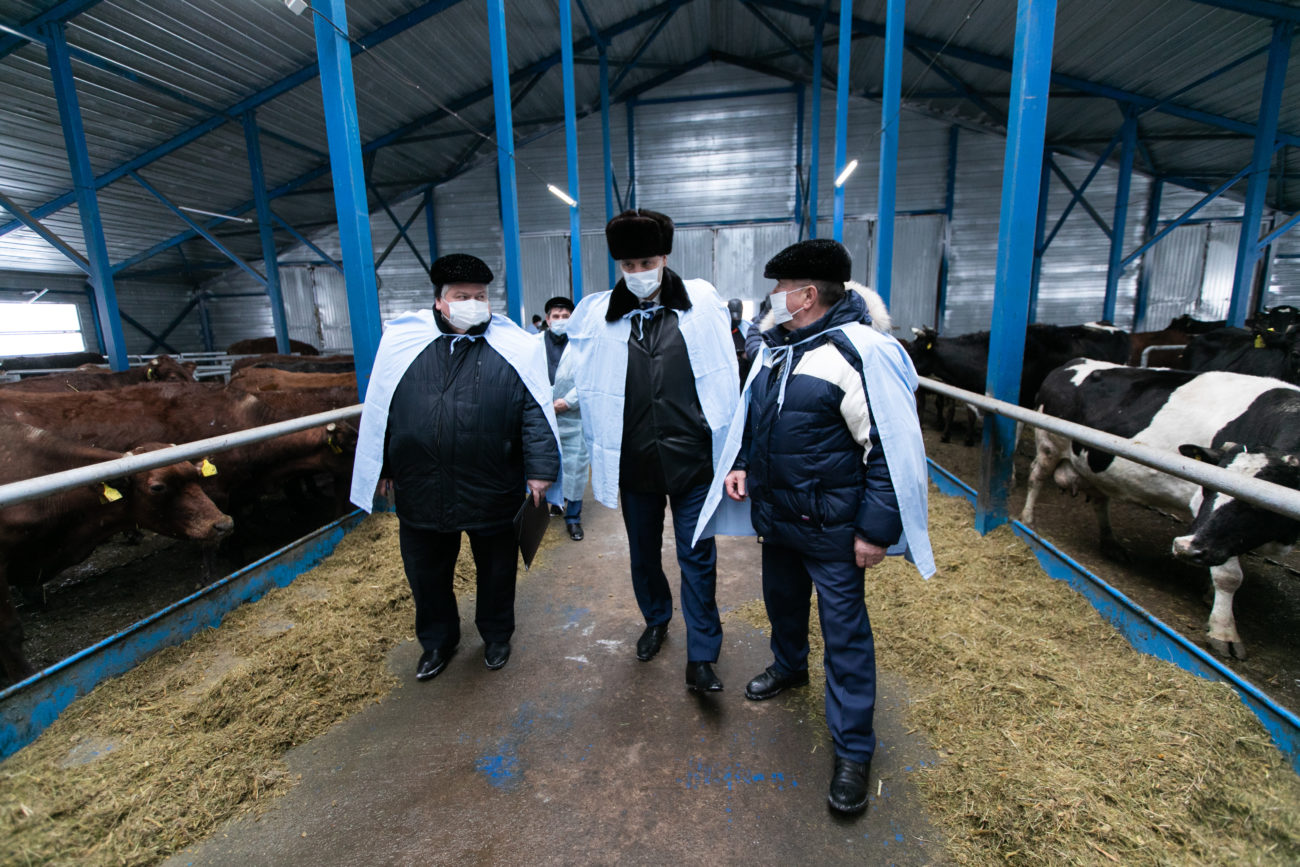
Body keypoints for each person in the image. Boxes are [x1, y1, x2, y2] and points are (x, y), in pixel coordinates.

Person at [718, 239, 934, 815]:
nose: (772, 299)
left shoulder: (856, 352)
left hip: (835, 529)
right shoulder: (778, 349)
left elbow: (887, 447)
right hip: (781, 522)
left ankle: (853, 749)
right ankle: (789, 667)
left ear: (806, 294)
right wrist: (741, 464)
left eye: (779, 289)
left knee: (844, 637)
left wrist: (874, 531)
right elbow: (757, 424)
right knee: (783, 605)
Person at [350, 254, 561, 681]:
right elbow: (383, 410)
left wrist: (540, 472)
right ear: (440, 302)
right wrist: (385, 465)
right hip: (421, 487)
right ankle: (438, 642)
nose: (473, 303)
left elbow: (535, 410)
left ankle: (497, 634)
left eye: (480, 296)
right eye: (461, 296)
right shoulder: (403, 344)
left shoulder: (515, 346)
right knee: (427, 574)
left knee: (497, 569)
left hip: (493, 483)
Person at [566, 209, 741, 693]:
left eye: (646, 261)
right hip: (634, 462)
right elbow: (587, 378)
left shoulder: (701, 306)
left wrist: (729, 445)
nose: (638, 273)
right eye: (628, 265)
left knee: (697, 555)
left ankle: (702, 654)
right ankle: (656, 618)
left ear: (664, 257)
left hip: (692, 461)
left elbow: (726, 373)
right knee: (643, 554)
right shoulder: (600, 317)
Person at [540, 295, 590, 541]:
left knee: (575, 468)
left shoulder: (582, 345)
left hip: (573, 417)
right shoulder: (534, 344)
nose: (560, 320)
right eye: (556, 316)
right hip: (541, 417)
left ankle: (573, 518)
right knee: (544, 465)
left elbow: (590, 377)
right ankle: (551, 506)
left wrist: (567, 402)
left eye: (565, 316)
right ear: (547, 320)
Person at [727, 298, 753, 385]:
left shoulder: (748, 327)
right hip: (729, 371)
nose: (735, 319)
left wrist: (746, 354)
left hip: (744, 372)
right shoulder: (722, 328)